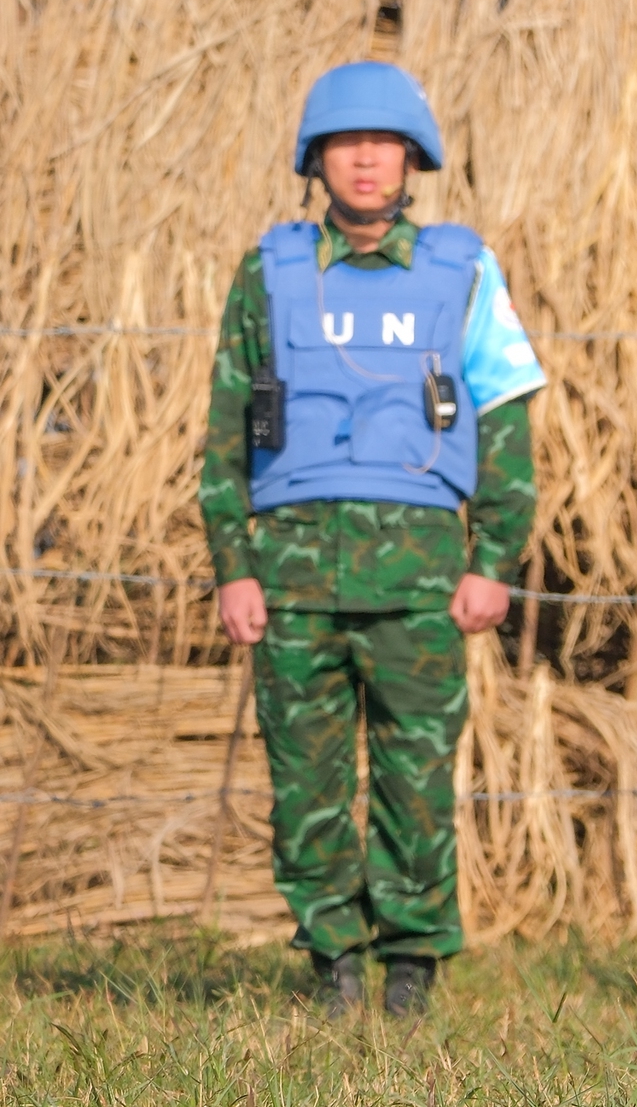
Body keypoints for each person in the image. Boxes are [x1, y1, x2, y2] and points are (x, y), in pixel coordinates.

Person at [201, 60, 547, 1018]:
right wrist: (234, 567)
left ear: (410, 160)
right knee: (305, 785)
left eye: (383, 143)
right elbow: (226, 428)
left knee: (416, 780)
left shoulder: (463, 268)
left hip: (421, 581)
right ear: (317, 160)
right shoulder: (266, 272)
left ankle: (410, 972)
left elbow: (507, 422)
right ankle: (334, 967)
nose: (365, 159)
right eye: (345, 144)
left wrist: (494, 560)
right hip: (294, 578)